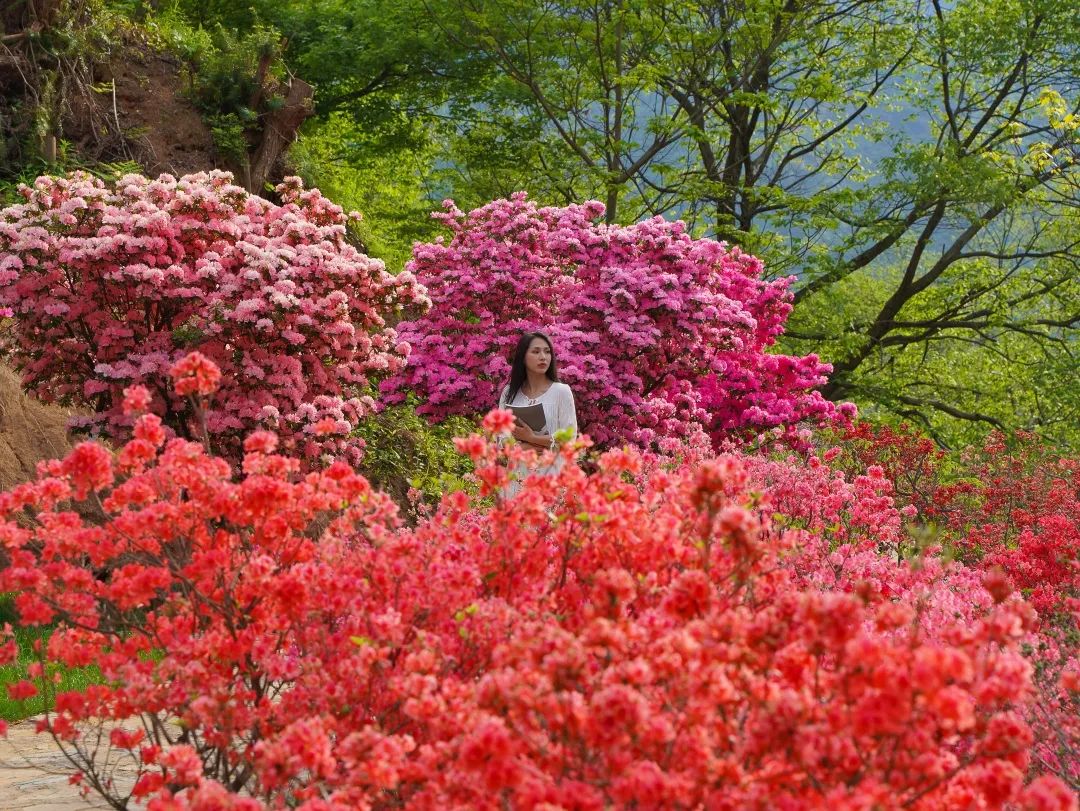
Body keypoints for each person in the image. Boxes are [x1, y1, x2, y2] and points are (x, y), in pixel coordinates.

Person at [497, 332, 577, 485]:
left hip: (551, 477)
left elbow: (570, 440)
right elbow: (501, 439)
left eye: (547, 352)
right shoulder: (509, 393)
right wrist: (521, 448)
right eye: (536, 351)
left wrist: (532, 438)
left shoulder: (561, 392)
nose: (543, 357)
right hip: (517, 476)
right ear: (523, 357)